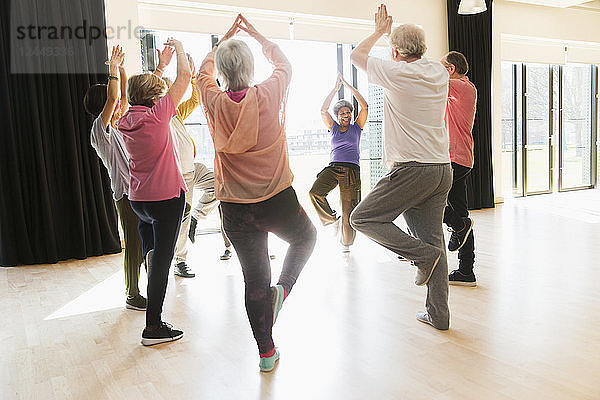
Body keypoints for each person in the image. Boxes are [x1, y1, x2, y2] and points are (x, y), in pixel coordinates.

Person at [197, 14, 316, 372]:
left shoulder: (213, 100)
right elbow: (283, 62)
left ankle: (266, 354)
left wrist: (221, 41)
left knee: (254, 280)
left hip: (235, 208)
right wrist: (257, 35)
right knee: (306, 239)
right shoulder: (270, 92)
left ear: (221, 69)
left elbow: (203, 72)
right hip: (277, 199)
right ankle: (284, 290)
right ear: (249, 67)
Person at [350, 5, 453, 330]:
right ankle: (438, 314)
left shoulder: (397, 72)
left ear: (395, 52)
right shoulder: (439, 72)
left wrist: (380, 31)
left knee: (362, 218)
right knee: (434, 241)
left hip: (413, 169)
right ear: (422, 49)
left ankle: (421, 257)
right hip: (441, 168)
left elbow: (357, 55)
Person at [118, 38, 191, 346]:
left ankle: (152, 262)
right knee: (163, 261)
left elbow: (141, 92)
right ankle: (153, 327)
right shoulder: (158, 116)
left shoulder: (126, 118)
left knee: (153, 251)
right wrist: (181, 49)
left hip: (139, 201)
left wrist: (160, 66)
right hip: (165, 200)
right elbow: (184, 78)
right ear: (156, 99)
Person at [83, 45, 146, 311]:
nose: (120, 103)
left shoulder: (119, 125)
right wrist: (112, 72)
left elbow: (121, 98)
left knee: (143, 241)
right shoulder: (100, 128)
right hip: (125, 194)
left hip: (139, 191)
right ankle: (132, 294)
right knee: (133, 245)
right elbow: (113, 99)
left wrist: (121, 67)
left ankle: (145, 283)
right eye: (114, 100)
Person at [309, 73, 368, 253]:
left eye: (348, 112)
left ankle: (346, 244)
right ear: (337, 115)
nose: (346, 115)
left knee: (349, 208)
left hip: (351, 170)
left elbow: (364, 106)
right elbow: (323, 110)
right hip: (333, 168)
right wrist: (335, 90)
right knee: (315, 192)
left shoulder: (356, 128)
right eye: (342, 113)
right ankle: (331, 220)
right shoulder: (333, 127)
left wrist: (349, 88)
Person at [441, 51, 477, 287]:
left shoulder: (463, 87)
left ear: (451, 70)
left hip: (456, 158)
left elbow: (431, 79)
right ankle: (466, 271)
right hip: (458, 157)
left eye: (442, 67)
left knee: (426, 199)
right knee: (462, 213)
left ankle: (457, 225)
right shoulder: (456, 89)